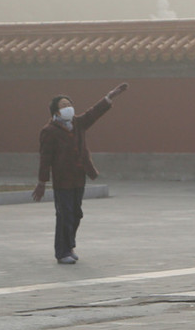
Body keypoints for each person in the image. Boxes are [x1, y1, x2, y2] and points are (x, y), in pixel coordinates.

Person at [32, 84, 129, 263]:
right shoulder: (49, 131)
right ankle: (62, 252)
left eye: (69, 104)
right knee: (64, 214)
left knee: (76, 214)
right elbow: (45, 158)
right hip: (62, 180)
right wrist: (42, 182)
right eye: (63, 105)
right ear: (55, 111)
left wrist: (109, 97)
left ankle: (69, 246)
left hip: (79, 177)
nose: (67, 107)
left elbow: (94, 113)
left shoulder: (78, 123)